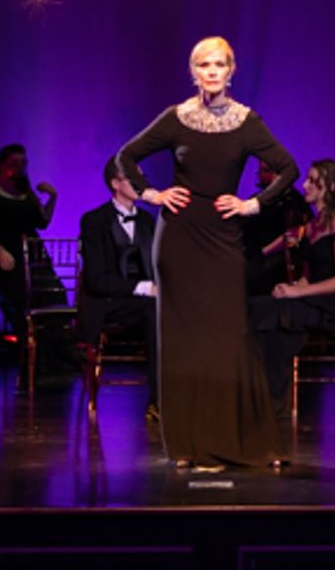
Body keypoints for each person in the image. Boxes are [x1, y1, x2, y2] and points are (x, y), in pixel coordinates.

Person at [117, 36, 298, 471]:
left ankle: (228, 441)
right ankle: (188, 445)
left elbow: (288, 169)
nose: (212, 71)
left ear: (231, 71)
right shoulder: (177, 118)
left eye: (219, 64)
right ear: (193, 72)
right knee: (183, 342)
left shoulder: (246, 121)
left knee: (226, 335)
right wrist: (152, 194)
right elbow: (126, 156)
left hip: (222, 237)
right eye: (204, 65)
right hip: (179, 236)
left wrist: (252, 204)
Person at [248, 159, 335, 416]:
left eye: (312, 181)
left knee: (278, 318)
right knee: (258, 307)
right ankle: (263, 396)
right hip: (315, 298)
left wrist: (298, 292)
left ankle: (274, 404)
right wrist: (289, 288)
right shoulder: (311, 226)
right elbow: (310, 276)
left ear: (330, 186)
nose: (305, 185)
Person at [77, 159, 159, 417]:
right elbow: (97, 280)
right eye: (134, 177)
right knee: (153, 309)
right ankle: (159, 400)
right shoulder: (94, 221)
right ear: (115, 183)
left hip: (141, 302)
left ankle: (169, 395)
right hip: (107, 301)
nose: (141, 184)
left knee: (166, 309)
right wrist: (142, 287)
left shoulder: (147, 220)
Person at [0, 144, 58, 338]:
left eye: (23, 164)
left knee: (53, 292)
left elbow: (42, 222)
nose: (19, 168)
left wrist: (52, 197)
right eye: (14, 164)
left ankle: (53, 344)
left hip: (32, 255)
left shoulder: (25, 193)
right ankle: (28, 340)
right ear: (1, 165)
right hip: (4, 256)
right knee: (22, 295)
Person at [242, 160, 313, 297]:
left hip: (276, 265)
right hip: (255, 261)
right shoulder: (257, 200)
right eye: (260, 170)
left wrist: (263, 252)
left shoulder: (294, 201)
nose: (260, 175)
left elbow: (295, 234)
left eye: (265, 170)